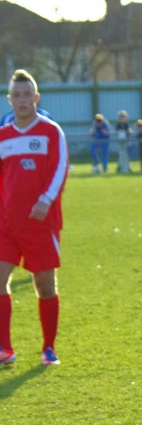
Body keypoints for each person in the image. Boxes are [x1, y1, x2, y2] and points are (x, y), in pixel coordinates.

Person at [0, 69, 69, 366]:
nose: (22, 100)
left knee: (45, 285)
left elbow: (60, 168)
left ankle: (48, 348)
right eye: (17, 95)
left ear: (36, 98)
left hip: (41, 223)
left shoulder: (51, 131)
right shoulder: (2, 136)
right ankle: (5, 349)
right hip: (6, 224)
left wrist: (45, 200)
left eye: (27, 94)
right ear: (10, 100)